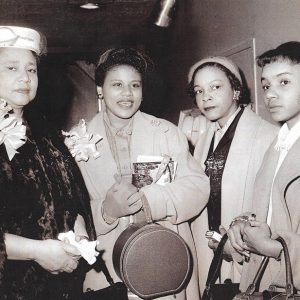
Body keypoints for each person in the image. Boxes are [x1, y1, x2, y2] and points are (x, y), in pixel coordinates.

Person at [65, 47, 210, 300]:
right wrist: (105, 212)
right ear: (100, 89)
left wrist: (151, 201)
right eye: (117, 85)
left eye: (135, 85)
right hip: (106, 268)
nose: (127, 94)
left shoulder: (167, 132)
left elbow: (198, 186)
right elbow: (66, 211)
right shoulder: (73, 142)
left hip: (161, 261)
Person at [0, 26, 96, 299]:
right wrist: (38, 252)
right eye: (11, 68)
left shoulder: (45, 132)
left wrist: (79, 237)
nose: (24, 78)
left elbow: (73, 196)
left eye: (31, 69)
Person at [187, 56, 278, 292]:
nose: (206, 96)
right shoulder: (204, 139)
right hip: (211, 251)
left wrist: (237, 243)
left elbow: (271, 210)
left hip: (245, 253)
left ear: (236, 90)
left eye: (215, 87)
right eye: (199, 91)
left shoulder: (267, 136)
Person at [228, 41, 300, 293]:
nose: (269, 93)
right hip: (264, 282)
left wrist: (273, 247)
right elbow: (273, 211)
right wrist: (244, 224)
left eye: (284, 82)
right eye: (266, 85)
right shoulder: (280, 143)